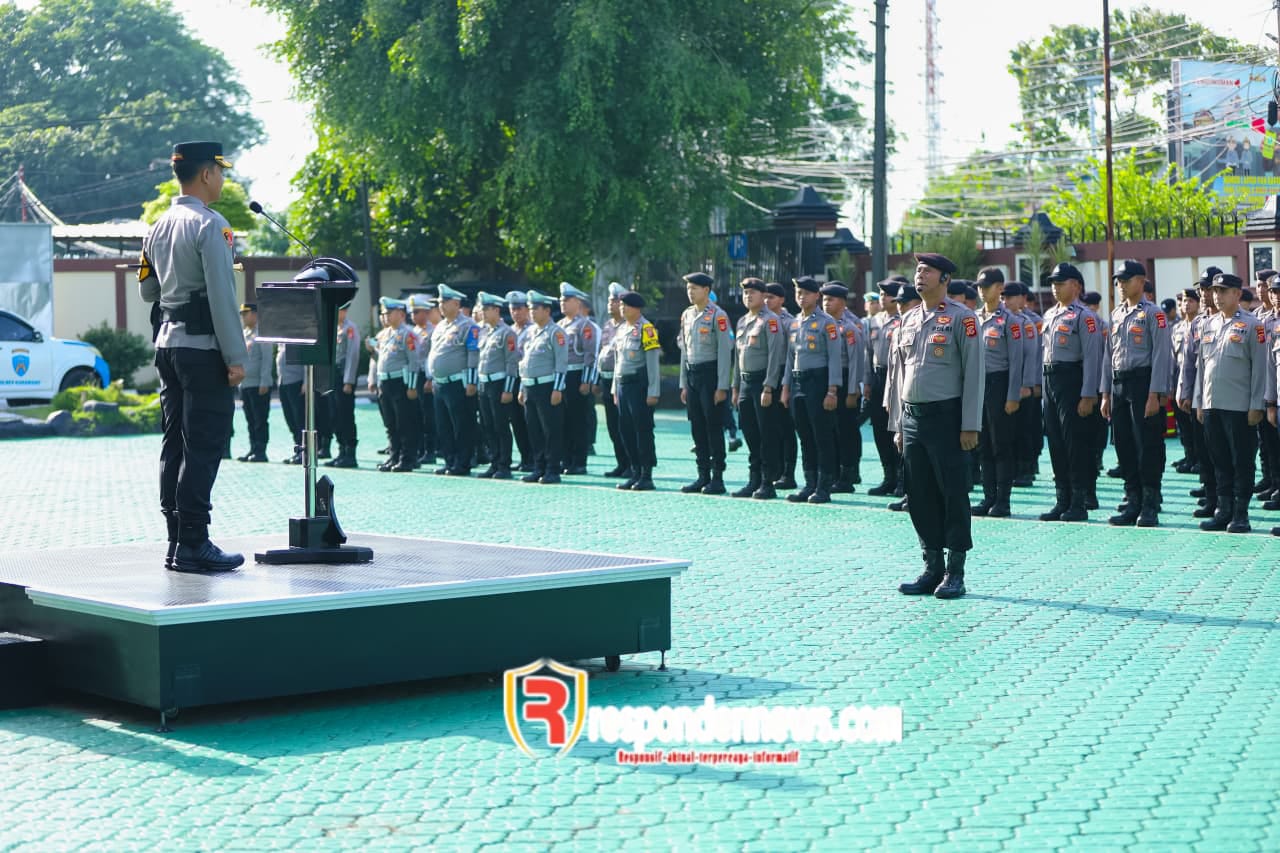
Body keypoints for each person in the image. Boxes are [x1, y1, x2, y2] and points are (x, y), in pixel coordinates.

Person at [139, 141, 247, 573]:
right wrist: (236, 356)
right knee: (203, 445)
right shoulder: (212, 226)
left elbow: (148, 290)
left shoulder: (156, 227)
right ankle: (195, 543)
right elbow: (222, 296)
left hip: (167, 346)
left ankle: (175, 540)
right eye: (220, 171)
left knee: (174, 444)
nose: (222, 179)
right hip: (202, 350)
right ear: (206, 174)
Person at [887, 253, 983, 600]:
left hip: (947, 418)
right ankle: (932, 567)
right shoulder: (908, 319)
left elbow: (974, 373)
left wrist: (970, 425)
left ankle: (955, 571)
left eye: (927, 271)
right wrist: (898, 424)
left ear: (945, 279)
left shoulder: (963, 318)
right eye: (918, 270)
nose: (920, 275)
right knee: (919, 494)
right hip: (913, 418)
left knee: (953, 493)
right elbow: (898, 375)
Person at [1193, 272, 1267, 532]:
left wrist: (1257, 404)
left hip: (1239, 407)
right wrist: (1199, 400)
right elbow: (1202, 367)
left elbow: (1260, 369)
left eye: (1223, 291)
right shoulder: (1208, 324)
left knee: (1242, 462)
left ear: (1237, 293)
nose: (1217, 296)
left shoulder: (1253, 325)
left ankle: (1240, 514)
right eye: (1215, 291)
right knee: (1219, 461)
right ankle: (1223, 511)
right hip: (1212, 405)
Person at [1100, 260, 1172, 527]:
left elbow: (1162, 355)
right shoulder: (1116, 314)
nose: (1120, 285)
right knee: (1124, 444)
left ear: (1140, 282)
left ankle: (1149, 504)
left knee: (1147, 444)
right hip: (1119, 385)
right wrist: (1105, 393)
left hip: (1143, 384)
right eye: (1118, 280)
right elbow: (1108, 355)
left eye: (1125, 280)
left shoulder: (1154, 313)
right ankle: (1133, 500)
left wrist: (1155, 393)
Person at [1038, 263, 1104, 522]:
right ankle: (1062, 499)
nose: (1055, 288)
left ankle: (1079, 501)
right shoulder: (1049, 315)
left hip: (1072, 380)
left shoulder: (1084, 316)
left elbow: (1092, 357)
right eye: (1053, 283)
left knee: (1075, 443)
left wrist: (1088, 394)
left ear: (1076, 286)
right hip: (1050, 381)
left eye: (1061, 283)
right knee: (1055, 442)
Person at [780, 275, 842, 504]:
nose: (801, 297)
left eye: (806, 293)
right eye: (798, 293)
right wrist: (786, 387)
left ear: (817, 296)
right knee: (805, 435)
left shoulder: (827, 322)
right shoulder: (794, 322)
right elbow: (790, 357)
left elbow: (834, 358)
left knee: (821, 436)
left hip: (818, 381)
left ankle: (824, 486)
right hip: (798, 382)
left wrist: (832, 390)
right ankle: (809, 483)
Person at [972, 269, 1024, 517]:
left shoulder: (1010, 321)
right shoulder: (973, 318)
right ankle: (988, 497)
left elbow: (1016, 361)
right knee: (983, 445)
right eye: (980, 287)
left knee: (1000, 444)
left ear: (1000, 288)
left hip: (999, 384)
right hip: (978, 386)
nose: (982, 291)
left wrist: (1013, 396)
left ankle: (1003, 500)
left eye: (988, 286)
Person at [679, 272, 733, 494]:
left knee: (713, 426)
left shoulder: (718, 316)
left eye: (694, 288)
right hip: (692, 375)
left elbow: (725, 351)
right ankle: (702, 475)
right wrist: (683, 383)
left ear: (706, 290)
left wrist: (722, 386)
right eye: (688, 288)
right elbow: (685, 351)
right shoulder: (687, 314)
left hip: (710, 375)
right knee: (697, 426)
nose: (690, 292)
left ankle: (717, 477)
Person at [732, 277, 786, 499]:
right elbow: (738, 358)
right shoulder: (742, 321)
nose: (748, 296)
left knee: (766, 433)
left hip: (762, 383)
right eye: (745, 293)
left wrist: (769, 387)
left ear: (763, 296)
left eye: (752, 293)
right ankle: (753, 479)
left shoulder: (770, 320)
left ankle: (767, 481)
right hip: (745, 383)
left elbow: (775, 356)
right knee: (750, 432)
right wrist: (735, 387)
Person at [1178, 268, 1223, 517]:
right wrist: (1184, 391)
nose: (1204, 294)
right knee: (1203, 448)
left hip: (1224, 393)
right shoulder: (1197, 323)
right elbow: (1187, 361)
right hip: (1199, 393)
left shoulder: (1233, 320)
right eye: (1202, 289)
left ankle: (1226, 499)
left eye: (1208, 289)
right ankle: (1210, 494)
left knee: (1221, 450)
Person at [429, 284, 480, 476]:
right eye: (439, 302)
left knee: (461, 424)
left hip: (458, 382)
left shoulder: (468, 326)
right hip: (440, 382)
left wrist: (472, 382)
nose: (440, 306)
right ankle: (450, 461)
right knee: (444, 425)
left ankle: (463, 462)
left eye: (445, 302)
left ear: (456, 304)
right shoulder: (441, 326)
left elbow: (473, 354)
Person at [612, 291, 661, 490]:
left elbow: (653, 362)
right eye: (621, 305)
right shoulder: (621, 329)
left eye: (626, 305)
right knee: (626, 430)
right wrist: (614, 389)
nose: (622, 308)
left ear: (637, 308)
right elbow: (617, 361)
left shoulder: (646, 329)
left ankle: (646, 475)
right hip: (622, 385)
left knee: (643, 430)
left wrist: (653, 391)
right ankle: (635, 471)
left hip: (639, 386)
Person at [518, 290, 568, 484]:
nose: (531, 312)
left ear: (547, 310)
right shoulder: (531, 332)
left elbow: (561, 363)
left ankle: (552, 469)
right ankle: (538, 467)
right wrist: (522, 388)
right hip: (530, 386)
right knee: (534, 430)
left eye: (535, 308)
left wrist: (557, 389)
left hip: (547, 387)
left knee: (551, 430)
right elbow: (524, 363)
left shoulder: (556, 332)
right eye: (530, 308)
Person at [821, 282, 866, 493]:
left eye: (830, 299)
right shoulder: (823, 325)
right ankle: (835, 473)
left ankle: (848, 474)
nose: (826, 303)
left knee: (846, 431)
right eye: (824, 299)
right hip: (829, 380)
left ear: (841, 302)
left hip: (846, 380)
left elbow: (856, 361)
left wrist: (853, 391)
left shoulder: (849, 328)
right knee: (831, 430)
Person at [371, 297, 421, 472]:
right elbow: (381, 359)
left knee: (404, 422)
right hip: (385, 382)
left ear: (400, 314)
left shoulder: (408, 334)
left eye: (389, 312)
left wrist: (412, 386)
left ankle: (407, 459)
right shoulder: (384, 334)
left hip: (400, 382)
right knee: (390, 423)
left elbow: (414, 361)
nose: (385, 316)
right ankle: (394, 456)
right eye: (384, 313)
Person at [867, 277, 906, 497]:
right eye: (881, 294)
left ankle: (902, 479)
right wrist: (866, 382)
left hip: (896, 377)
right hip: (877, 377)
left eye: (887, 294)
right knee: (880, 429)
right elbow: (868, 353)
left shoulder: (903, 319)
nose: (883, 298)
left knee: (896, 428)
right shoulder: (875, 320)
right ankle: (888, 476)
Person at [475, 291, 519, 479]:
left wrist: (508, 389)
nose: (483, 312)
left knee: (501, 425)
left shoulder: (507, 333)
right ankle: (494, 462)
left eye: (486, 309)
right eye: (482, 309)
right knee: (488, 425)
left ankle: (504, 464)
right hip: (484, 383)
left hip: (499, 384)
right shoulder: (484, 331)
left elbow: (511, 362)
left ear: (496, 310)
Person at [557, 282, 600, 475]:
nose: (563, 303)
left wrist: (587, 380)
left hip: (577, 375)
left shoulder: (585, 326)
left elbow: (591, 355)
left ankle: (579, 462)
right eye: (562, 300)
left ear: (577, 302)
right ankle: (566, 459)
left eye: (567, 300)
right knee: (563, 420)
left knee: (578, 420)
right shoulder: (559, 325)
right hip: (562, 376)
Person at [764, 282, 799, 489]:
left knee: (786, 427)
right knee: (770, 427)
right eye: (765, 297)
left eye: (771, 297)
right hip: (768, 376)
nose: (767, 301)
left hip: (784, 376)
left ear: (782, 300)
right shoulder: (762, 319)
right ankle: (774, 470)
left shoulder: (789, 322)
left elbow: (791, 354)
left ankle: (788, 473)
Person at [597, 283, 630, 478]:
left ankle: (631, 464)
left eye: (615, 301)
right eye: (610, 300)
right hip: (606, 379)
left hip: (622, 381)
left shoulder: (628, 326)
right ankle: (621, 463)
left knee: (624, 425)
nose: (611, 304)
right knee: (612, 426)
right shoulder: (608, 325)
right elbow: (601, 353)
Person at [324, 299, 361, 468]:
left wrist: (349, 381)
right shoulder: (333, 328)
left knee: (345, 415)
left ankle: (350, 453)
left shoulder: (350, 328)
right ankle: (341, 451)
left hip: (343, 376)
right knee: (334, 415)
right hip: (333, 376)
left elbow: (352, 356)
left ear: (344, 311)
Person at [235, 303, 272, 463]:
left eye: (246, 313)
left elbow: (267, 359)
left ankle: (261, 451)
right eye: (242, 314)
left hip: (258, 384)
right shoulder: (245, 334)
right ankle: (253, 448)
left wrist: (264, 381)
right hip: (245, 384)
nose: (243, 317)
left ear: (255, 314)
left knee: (259, 419)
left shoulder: (262, 333)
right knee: (250, 419)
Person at [1170, 288, 1201, 474]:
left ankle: (1200, 459)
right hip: (1180, 382)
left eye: (1190, 300)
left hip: (1197, 383)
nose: (1186, 304)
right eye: (1183, 301)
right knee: (1183, 425)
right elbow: (1172, 359)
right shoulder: (1177, 328)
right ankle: (1190, 456)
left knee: (1197, 426)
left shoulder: (1201, 324)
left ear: (1198, 304)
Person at [505, 290, 535, 471]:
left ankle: (534, 458)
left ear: (527, 310)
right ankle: (525, 457)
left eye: (519, 309)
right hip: (512, 378)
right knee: (516, 420)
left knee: (529, 420)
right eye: (512, 309)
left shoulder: (532, 330)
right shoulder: (509, 330)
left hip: (527, 378)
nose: (516, 313)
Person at [408, 295, 436, 466]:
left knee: (428, 414)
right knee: (416, 413)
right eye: (412, 312)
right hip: (415, 376)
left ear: (426, 313)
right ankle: (419, 448)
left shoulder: (432, 331)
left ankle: (430, 450)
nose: (413, 315)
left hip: (426, 376)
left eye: (417, 312)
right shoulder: (414, 332)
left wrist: (430, 378)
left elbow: (431, 356)